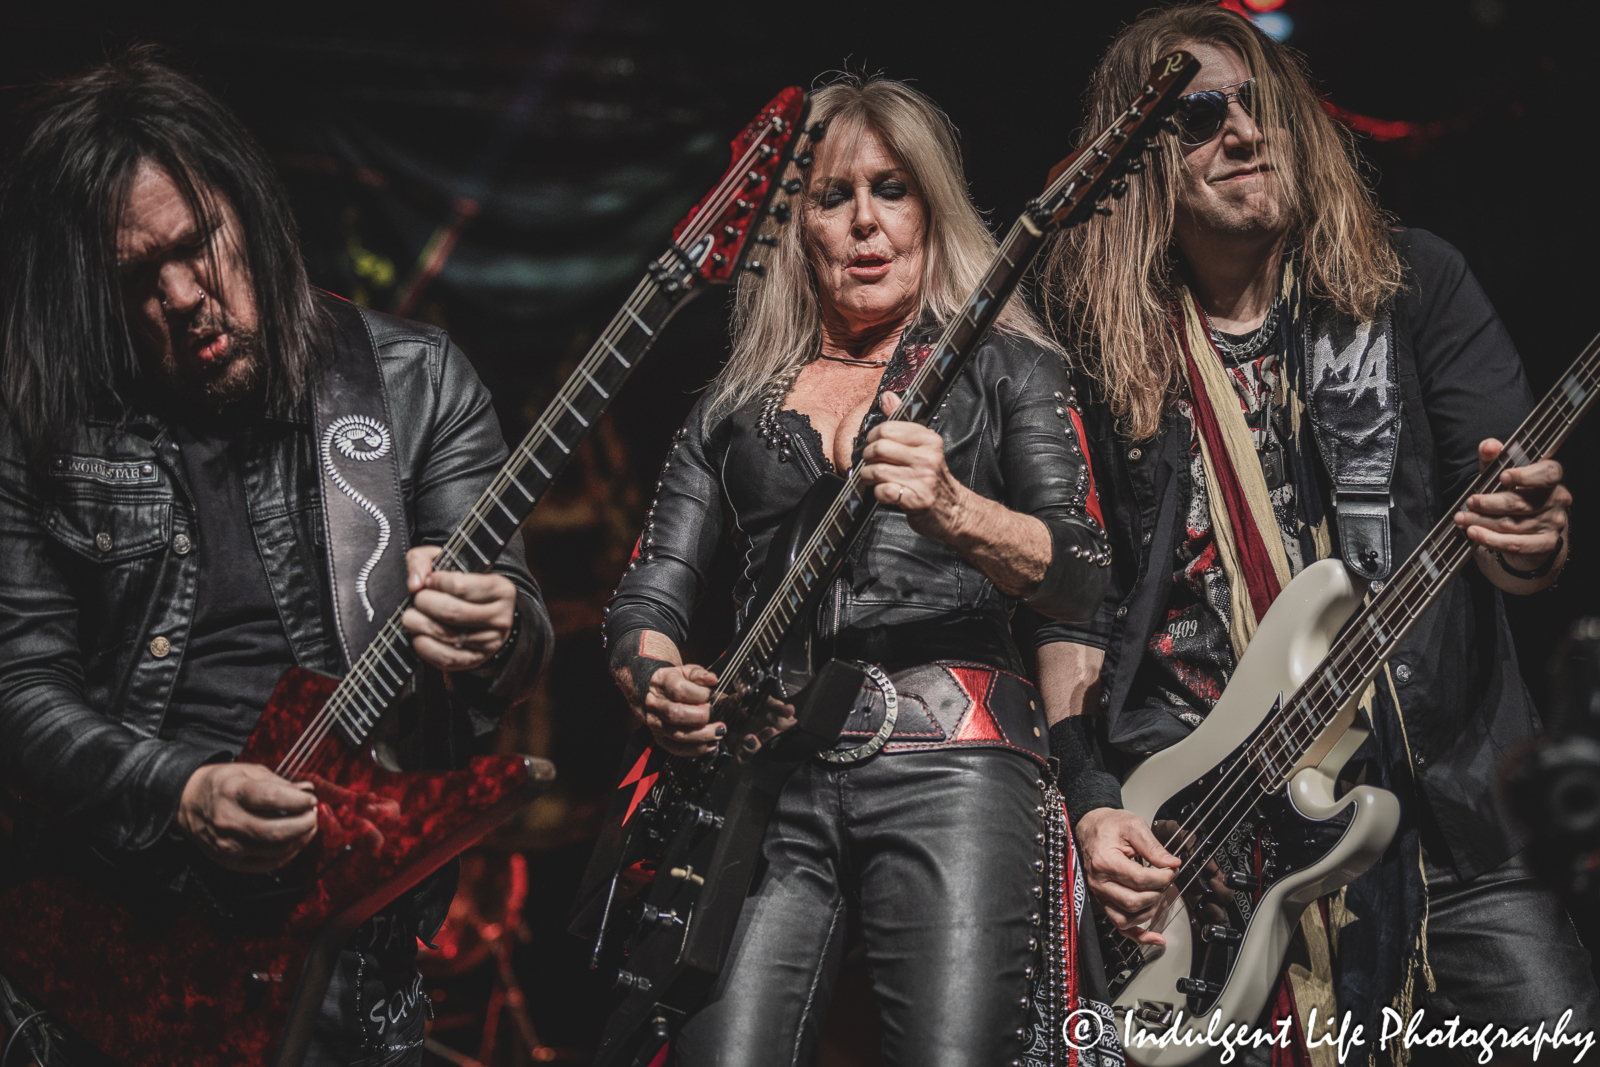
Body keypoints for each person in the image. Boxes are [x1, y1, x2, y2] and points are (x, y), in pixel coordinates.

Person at [1039, 5, 1595, 1061]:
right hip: (1214, 852)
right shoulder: (1098, 363)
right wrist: (1100, 801)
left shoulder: (1412, 285)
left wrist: (1533, 544)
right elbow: (1071, 603)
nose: (1245, 133)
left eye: (1264, 104)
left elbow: (1522, 522)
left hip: (1452, 825)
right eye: (1201, 116)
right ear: (1137, 158)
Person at [0, 53, 551, 1066]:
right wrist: (180, 792)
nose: (184, 297)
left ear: (249, 210)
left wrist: (493, 626)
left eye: (197, 245)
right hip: (115, 942)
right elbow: (20, 683)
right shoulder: (41, 423)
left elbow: (514, 625)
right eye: (135, 279)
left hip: (340, 945)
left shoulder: (413, 383)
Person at [603, 77, 1113, 1066]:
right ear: (797, 227)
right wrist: (657, 678)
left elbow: (1083, 574)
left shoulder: (1008, 364)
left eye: (894, 189)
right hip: (763, 781)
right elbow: (645, 597)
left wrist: (955, 506)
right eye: (835, 196)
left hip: (955, 763)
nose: (867, 222)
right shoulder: (730, 405)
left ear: (933, 209)